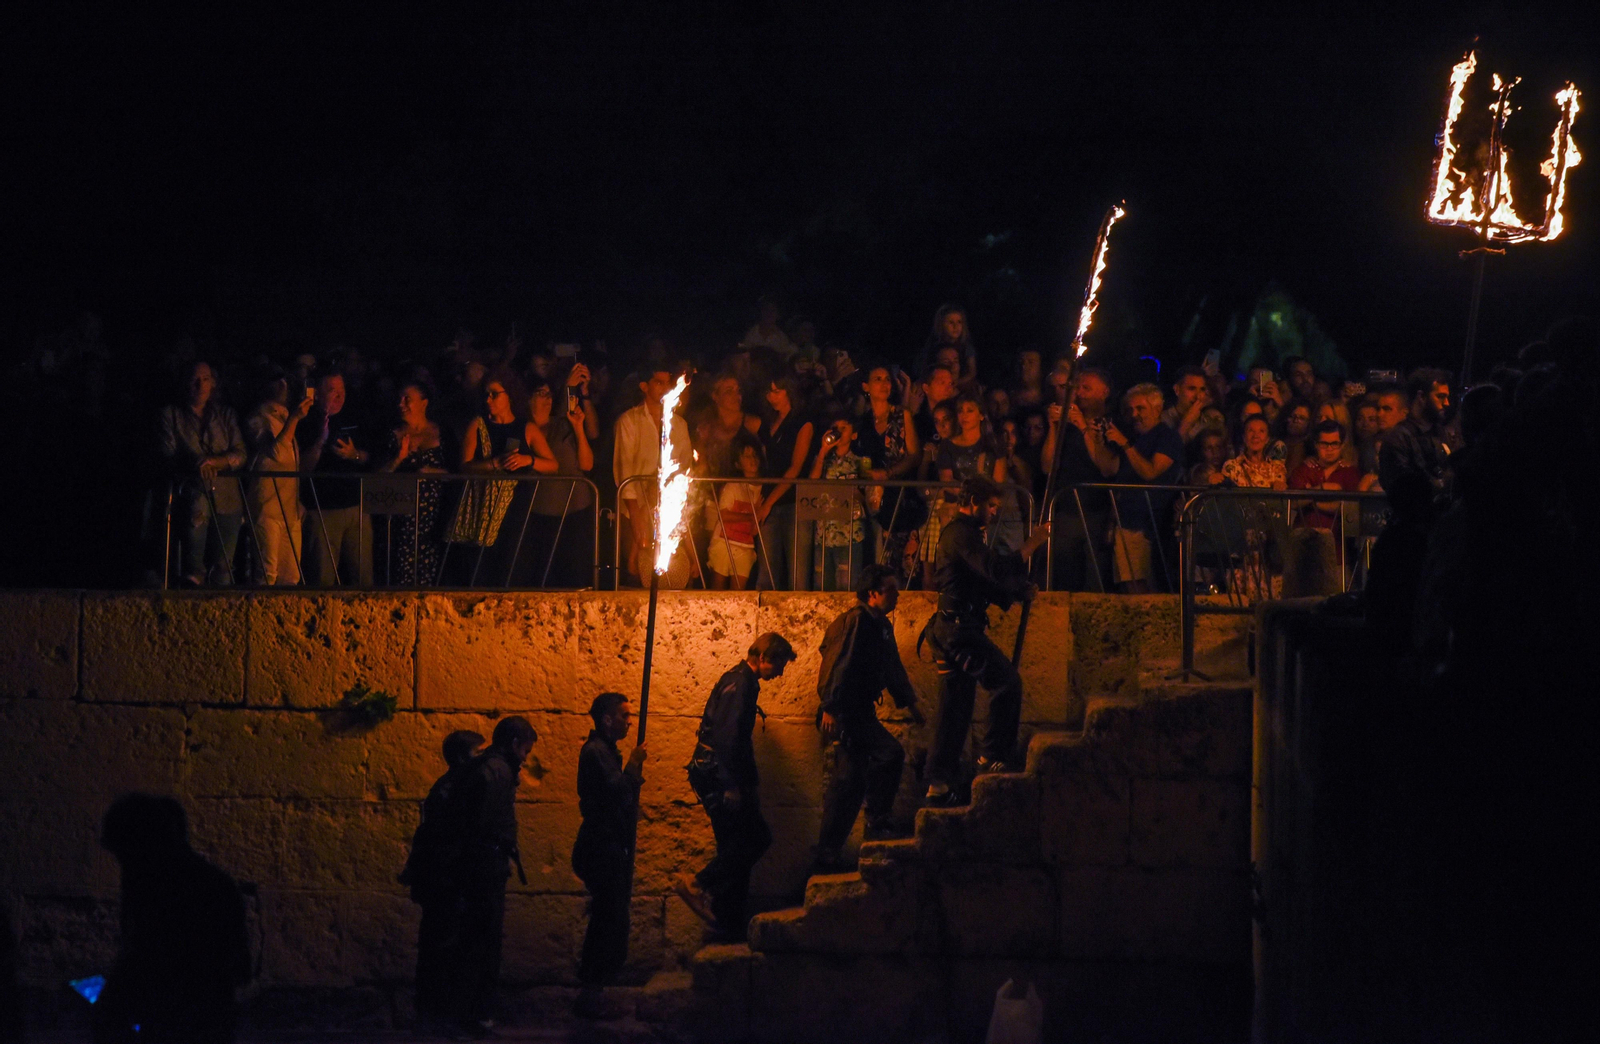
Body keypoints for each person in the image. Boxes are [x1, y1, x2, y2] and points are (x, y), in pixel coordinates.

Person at [924, 477, 1050, 806]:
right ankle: (991, 757)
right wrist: (1032, 543)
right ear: (974, 502)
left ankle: (939, 784)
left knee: (956, 708)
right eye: (990, 505)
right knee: (1006, 683)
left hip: (957, 628)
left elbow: (982, 582)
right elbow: (993, 569)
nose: (994, 512)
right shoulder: (960, 534)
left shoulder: (968, 535)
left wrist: (1018, 591)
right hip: (957, 632)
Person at [93, 795, 250, 1044]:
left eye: (124, 851)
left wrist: (111, 1004)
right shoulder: (214, 885)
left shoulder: (165, 891)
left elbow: (147, 960)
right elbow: (242, 967)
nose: (122, 863)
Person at [676, 633, 797, 940]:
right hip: (719, 777)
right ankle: (699, 884)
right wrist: (731, 785)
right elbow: (726, 738)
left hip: (721, 775)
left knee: (736, 847)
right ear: (764, 657)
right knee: (753, 840)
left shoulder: (741, 681)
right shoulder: (740, 683)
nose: (781, 672)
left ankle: (725, 920)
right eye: (779, 664)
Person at [813, 565, 925, 872]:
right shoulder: (858, 622)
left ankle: (829, 852)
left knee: (850, 781)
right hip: (848, 711)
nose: (897, 594)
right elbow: (837, 663)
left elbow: (892, 668)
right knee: (885, 756)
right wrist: (831, 706)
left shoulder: (881, 625)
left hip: (860, 710)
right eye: (890, 589)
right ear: (872, 594)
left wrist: (911, 705)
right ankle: (875, 823)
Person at [572, 693, 647, 1020]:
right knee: (607, 918)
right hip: (600, 848)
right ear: (606, 719)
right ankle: (591, 993)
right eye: (624, 715)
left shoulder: (605, 751)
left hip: (609, 845)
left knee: (611, 916)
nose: (629, 721)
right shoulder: (597, 752)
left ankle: (596, 991)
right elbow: (616, 790)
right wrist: (633, 764)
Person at [401, 730, 484, 1024]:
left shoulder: (452, 787)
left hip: (444, 878)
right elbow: (441, 838)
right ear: (463, 756)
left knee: (442, 941)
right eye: (478, 752)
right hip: (445, 880)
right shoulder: (450, 791)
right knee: (441, 942)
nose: (482, 759)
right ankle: (436, 1010)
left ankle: (436, 1007)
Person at [159, 361, 247, 586]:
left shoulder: (225, 415)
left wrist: (215, 462)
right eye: (194, 380)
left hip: (228, 498)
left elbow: (241, 453)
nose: (200, 385)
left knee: (224, 567)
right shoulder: (172, 415)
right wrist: (194, 463)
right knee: (193, 566)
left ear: (213, 383)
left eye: (205, 379)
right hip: (192, 496)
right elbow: (167, 454)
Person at [1092, 383, 1185, 593]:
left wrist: (1125, 444)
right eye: (1130, 410)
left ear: (1157, 409)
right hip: (1127, 522)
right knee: (1130, 583)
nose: (1134, 415)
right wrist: (1095, 438)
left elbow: (1151, 471)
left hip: (1150, 524)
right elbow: (1108, 468)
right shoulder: (1136, 438)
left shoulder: (1167, 437)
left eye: (1140, 409)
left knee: (1142, 586)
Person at [1040, 366, 1117, 591]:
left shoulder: (1111, 424)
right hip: (1065, 511)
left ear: (1104, 392)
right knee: (1064, 580)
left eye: (1086, 388)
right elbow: (1047, 466)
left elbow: (1106, 467)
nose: (1080, 393)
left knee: (1096, 581)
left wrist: (1084, 427)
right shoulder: (1068, 425)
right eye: (1078, 388)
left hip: (1096, 512)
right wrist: (1054, 427)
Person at [517, 377, 596, 588]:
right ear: (528, 398)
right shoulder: (522, 429)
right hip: (541, 511)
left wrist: (579, 428)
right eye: (540, 394)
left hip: (575, 509)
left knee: (576, 573)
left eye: (549, 394)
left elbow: (587, 465)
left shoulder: (564, 424)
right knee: (544, 575)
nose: (547, 399)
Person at [299, 369, 373, 587]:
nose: (339, 396)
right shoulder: (306, 421)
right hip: (323, 510)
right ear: (318, 394)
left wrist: (354, 454)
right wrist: (320, 442)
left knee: (363, 576)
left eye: (342, 390)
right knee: (322, 577)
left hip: (356, 507)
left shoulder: (354, 416)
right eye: (332, 390)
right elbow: (302, 468)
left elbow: (370, 457)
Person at [378, 381, 449, 586]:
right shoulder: (392, 436)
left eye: (407, 399)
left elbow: (457, 470)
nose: (401, 404)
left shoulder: (442, 433)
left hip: (434, 521)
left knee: (433, 580)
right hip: (401, 522)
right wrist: (398, 458)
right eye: (399, 399)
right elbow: (378, 476)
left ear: (424, 403)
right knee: (401, 579)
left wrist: (429, 472)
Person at [613, 368, 679, 586]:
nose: (665, 388)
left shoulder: (679, 424)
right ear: (645, 386)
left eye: (668, 383)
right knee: (636, 571)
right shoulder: (629, 421)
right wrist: (635, 515)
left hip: (669, 508)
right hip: (636, 507)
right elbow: (625, 470)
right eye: (659, 383)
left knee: (671, 575)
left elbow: (685, 464)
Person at [247, 373, 314, 585]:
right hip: (267, 508)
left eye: (286, 381)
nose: (285, 386)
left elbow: (291, 463)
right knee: (267, 575)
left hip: (289, 510)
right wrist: (295, 419)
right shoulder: (257, 418)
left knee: (291, 577)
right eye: (280, 381)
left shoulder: (285, 415)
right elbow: (275, 452)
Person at [755, 376, 815, 590]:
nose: (771, 397)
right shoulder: (769, 422)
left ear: (789, 391)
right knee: (766, 574)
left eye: (777, 391)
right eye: (769, 392)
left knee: (798, 576)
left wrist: (768, 503)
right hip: (769, 501)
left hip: (795, 503)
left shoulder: (803, 422)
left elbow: (795, 468)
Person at [808, 416, 869, 591]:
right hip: (824, 534)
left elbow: (869, 494)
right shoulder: (823, 459)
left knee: (847, 589)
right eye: (835, 427)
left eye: (844, 428)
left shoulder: (860, 461)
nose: (839, 432)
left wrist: (853, 494)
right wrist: (823, 451)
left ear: (854, 435)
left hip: (850, 534)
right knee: (822, 589)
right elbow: (812, 483)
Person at [1378, 368, 1453, 501]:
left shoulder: (1441, 433)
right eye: (1440, 397)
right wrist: (1442, 484)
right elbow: (1401, 487)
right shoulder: (1398, 438)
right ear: (1421, 397)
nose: (1447, 403)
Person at [707, 434, 765, 589]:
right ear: (738, 464)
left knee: (738, 595)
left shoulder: (761, 490)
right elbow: (724, 515)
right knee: (717, 592)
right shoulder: (732, 486)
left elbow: (754, 529)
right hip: (723, 542)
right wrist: (751, 515)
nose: (752, 459)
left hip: (745, 546)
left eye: (754, 455)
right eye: (746, 456)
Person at [1162, 365, 1226, 448]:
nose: (1198, 396)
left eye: (1202, 389)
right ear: (1177, 390)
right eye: (1192, 389)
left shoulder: (1210, 422)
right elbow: (1166, 455)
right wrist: (1186, 423)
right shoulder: (1162, 420)